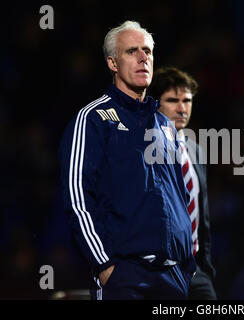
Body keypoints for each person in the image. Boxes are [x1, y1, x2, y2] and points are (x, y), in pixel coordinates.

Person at [58, 21, 196, 300]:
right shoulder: (93, 119)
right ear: (112, 63)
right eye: (132, 51)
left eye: (147, 51)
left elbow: (179, 196)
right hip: (125, 276)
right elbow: (77, 197)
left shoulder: (165, 126)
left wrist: (186, 267)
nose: (143, 58)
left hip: (173, 278)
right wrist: (104, 265)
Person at [149, 67, 217, 299]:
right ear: (156, 103)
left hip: (196, 270)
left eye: (187, 100)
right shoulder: (142, 151)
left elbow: (203, 217)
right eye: (172, 100)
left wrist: (205, 267)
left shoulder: (195, 152)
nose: (182, 107)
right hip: (158, 271)